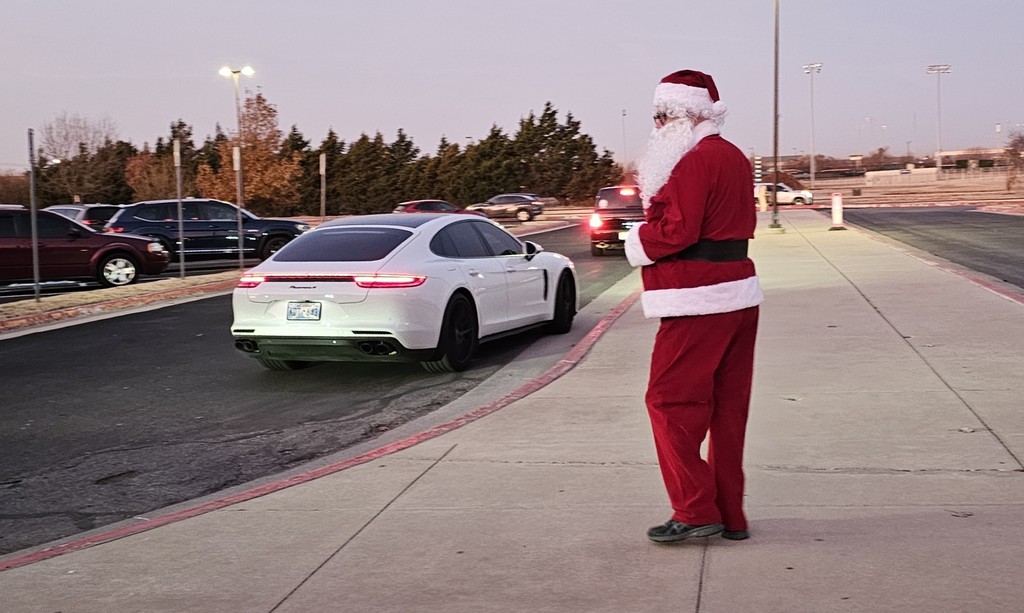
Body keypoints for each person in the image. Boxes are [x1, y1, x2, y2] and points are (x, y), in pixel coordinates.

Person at [623, 69, 764, 543]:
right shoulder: (734, 157)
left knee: (669, 401)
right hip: (738, 293)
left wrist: (636, 242)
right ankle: (731, 514)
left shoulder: (694, 162)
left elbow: (676, 232)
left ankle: (695, 508)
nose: (657, 124)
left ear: (686, 114)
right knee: (728, 408)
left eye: (662, 115)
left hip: (698, 298)